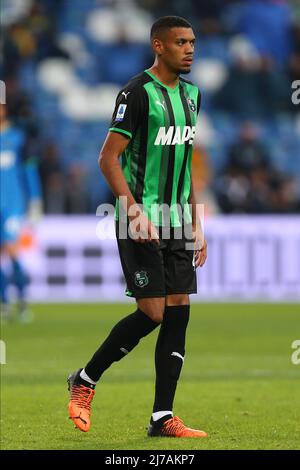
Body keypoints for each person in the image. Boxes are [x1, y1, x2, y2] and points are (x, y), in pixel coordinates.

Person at [67, 16, 208, 438]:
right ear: (158, 46)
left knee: (179, 312)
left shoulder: (193, 96)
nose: (190, 49)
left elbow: (183, 166)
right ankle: (85, 380)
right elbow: (107, 158)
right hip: (140, 219)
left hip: (179, 220)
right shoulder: (135, 93)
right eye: (181, 42)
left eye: (193, 42)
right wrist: (131, 210)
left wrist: (197, 223)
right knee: (152, 312)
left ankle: (162, 417)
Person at [0, 102, 42, 322]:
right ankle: (5, 304)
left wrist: (35, 200)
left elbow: (29, 169)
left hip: (13, 204)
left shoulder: (18, 138)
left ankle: (23, 301)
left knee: (12, 251)